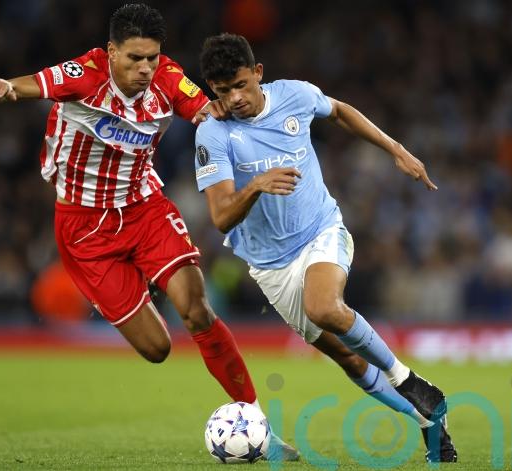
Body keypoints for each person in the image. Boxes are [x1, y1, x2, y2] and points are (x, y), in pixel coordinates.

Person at [0, 5, 299, 461]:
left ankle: (259, 426)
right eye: (134, 58)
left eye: (151, 57)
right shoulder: (85, 74)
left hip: (143, 208)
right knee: (157, 348)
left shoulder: (167, 78)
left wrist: (242, 120)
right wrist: (6, 87)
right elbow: (33, 83)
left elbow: (205, 112)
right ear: (112, 52)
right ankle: (136, 290)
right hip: (84, 230)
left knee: (196, 309)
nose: (145, 68)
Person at [194, 33, 458, 463]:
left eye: (241, 85)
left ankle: (407, 379)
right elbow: (222, 216)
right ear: (212, 89)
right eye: (224, 91)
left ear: (258, 73)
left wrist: (395, 149)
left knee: (323, 307)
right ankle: (429, 421)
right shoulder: (212, 132)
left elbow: (339, 111)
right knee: (347, 358)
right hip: (269, 265)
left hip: (320, 230)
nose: (235, 98)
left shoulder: (295, 96)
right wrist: (257, 184)